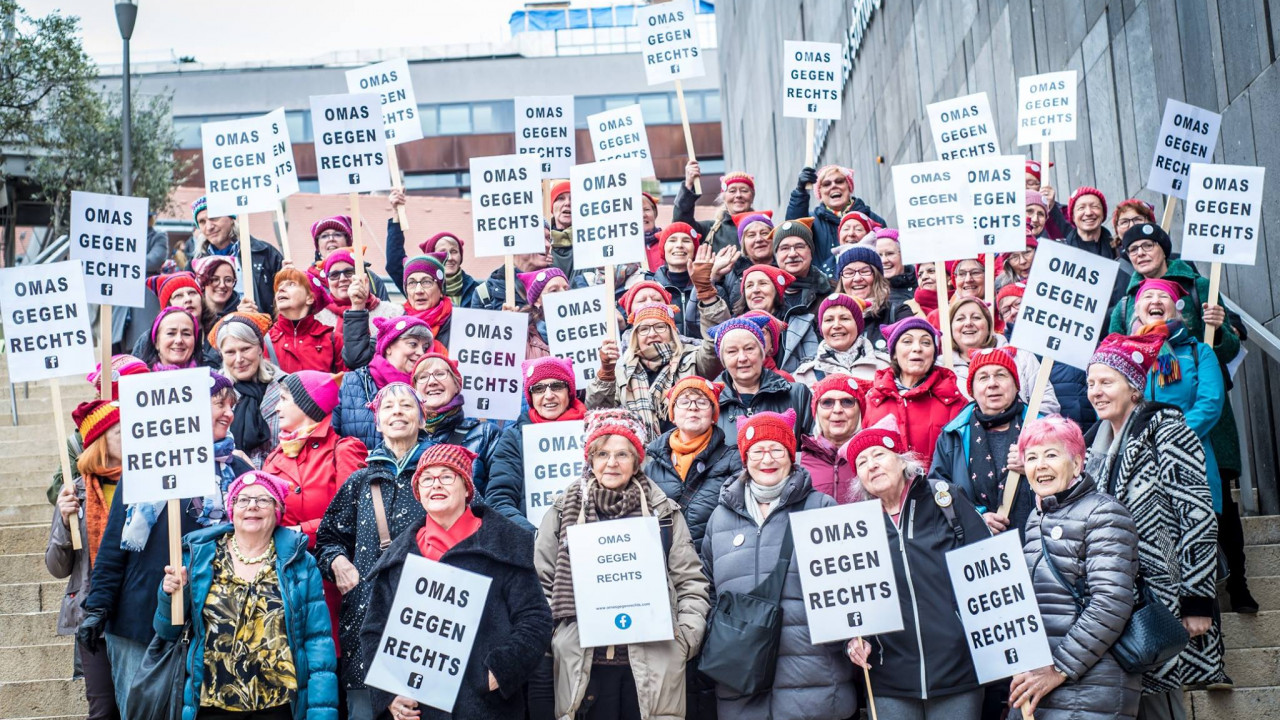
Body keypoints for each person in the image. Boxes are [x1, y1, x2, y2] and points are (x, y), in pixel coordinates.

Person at [77, 372, 248, 715]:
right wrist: (98, 607)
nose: (228, 412)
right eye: (219, 403)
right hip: (138, 621)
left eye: (232, 404)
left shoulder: (240, 469)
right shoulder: (147, 464)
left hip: (213, 620)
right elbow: (114, 547)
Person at [534, 409, 710, 720]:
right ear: (590, 459)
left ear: (636, 460)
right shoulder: (562, 512)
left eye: (622, 454)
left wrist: (685, 638)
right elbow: (541, 582)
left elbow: (690, 583)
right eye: (602, 453)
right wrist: (556, 638)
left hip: (651, 664)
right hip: (584, 667)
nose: (611, 463)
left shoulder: (664, 514)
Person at [1083, 332, 1227, 710]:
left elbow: (1197, 515)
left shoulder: (1167, 429)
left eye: (1106, 382)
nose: (1096, 392)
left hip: (1165, 598)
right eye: (1090, 383)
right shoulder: (1095, 447)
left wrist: (1198, 600)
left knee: (1163, 704)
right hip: (1117, 601)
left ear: (1134, 388)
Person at [360, 443, 553, 720]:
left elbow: (535, 620)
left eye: (447, 476)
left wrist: (500, 671)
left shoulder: (504, 545)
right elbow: (374, 632)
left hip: (487, 707)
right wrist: (389, 695)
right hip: (420, 711)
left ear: (466, 488)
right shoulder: (399, 558)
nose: (435, 484)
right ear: (418, 493)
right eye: (426, 479)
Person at [701, 409, 855, 719]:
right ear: (745, 458)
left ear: (791, 455)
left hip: (813, 677)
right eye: (757, 450)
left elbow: (851, 584)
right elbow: (708, 588)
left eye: (776, 449)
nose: (767, 458)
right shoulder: (720, 517)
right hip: (741, 680)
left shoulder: (822, 507)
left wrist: (855, 637)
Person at [156, 471, 338, 720]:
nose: (252, 506)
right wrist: (171, 593)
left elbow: (318, 645)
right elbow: (167, 630)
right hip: (211, 705)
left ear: (277, 510)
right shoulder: (199, 559)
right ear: (232, 509)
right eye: (243, 500)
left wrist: (322, 714)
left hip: (279, 706)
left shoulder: (299, 563)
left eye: (263, 500)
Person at [844, 425, 990, 718]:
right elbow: (847, 595)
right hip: (889, 676)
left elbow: (986, 567)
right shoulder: (855, 526)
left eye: (879, 455)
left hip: (958, 669)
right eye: (861, 462)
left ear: (902, 460)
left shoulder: (944, 498)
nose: (871, 465)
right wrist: (851, 639)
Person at [1009, 416, 1141, 720]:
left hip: (1090, 684)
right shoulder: (1036, 518)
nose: (1040, 465)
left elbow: (1111, 603)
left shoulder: (1104, 512)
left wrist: (1059, 668)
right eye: (1031, 457)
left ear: (1078, 463)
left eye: (1051, 454)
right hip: (1042, 681)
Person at [315, 382, 431, 719]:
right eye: (388, 407)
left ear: (422, 420)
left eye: (407, 406)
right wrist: (337, 562)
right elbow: (327, 539)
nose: (397, 412)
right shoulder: (359, 482)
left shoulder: (444, 476)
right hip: (367, 626)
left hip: (428, 624)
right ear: (377, 422)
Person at [48, 399, 128, 720]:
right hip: (93, 616)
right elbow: (57, 566)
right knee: (104, 708)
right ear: (100, 441)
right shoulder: (74, 495)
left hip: (137, 611)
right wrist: (65, 525)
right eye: (122, 432)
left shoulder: (145, 485)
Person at [1132, 284, 1227, 512]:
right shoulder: (1126, 357)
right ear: (1138, 310)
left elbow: (1210, 403)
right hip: (1140, 463)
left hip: (1191, 457)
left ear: (1176, 307)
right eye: (1148, 296)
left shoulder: (1199, 352)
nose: (1155, 301)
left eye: (1163, 296)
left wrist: (1174, 438)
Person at [930, 347, 1039, 539]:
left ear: (1016, 385)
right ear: (972, 390)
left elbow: (1069, 480)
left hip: (1036, 544)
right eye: (983, 377)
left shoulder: (1044, 429)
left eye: (1001, 375)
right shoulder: (952, 435)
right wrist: (974, 518)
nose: (992, 384)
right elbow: (938, 493)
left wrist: (1036, 466)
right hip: (980, 550)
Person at [589, 302, 718, 440]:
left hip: (687, 451)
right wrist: (606, 373)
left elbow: (713, 344)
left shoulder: (692, 359)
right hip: (641, 456)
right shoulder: (622, 370)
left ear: (672, 332)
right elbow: (597, 411)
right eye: (644, 329)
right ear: (635, 336)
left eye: (660, 327)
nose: (652, 333)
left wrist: (708, 299)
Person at [486, 357, 588, 532]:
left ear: (569, 392)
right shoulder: (514, 438)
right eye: (539, 389)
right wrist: (538, 539)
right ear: (531, 397)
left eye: (557, 386)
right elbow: (499, 499)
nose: (549, 395)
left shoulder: (594, 431)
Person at [643, 376, 739, 554]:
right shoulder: (652, 466)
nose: (693, 407)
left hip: (714, 563)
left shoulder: (733, 460)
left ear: (713, 415)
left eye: (702, 402)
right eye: (684, 401)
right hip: (668, 566)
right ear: (672, 413)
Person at [862, 317, 965, 470]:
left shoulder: (953, 401)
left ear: (934, 355)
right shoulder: (873, 399)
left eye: (925, 342)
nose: (917, 348)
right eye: (907, 341)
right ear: (894, 353)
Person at [710, 316, 814, 447]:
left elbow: (814, 454)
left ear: (762, 353)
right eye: (732, 351)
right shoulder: (711, 404)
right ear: (723, 360)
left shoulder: (797, 394)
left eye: (749, 349)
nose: (742, 358)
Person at [333, 315, 433, 450]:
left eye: (425, 347)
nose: (421, 352)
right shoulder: (350, 383)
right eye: (413, 344)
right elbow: (331, 440)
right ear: (388, 346)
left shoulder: (427, 388)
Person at [408, 353, 502, 496]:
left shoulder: (486, 434)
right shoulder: (406, 439)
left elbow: (498, 496)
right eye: (422, 377)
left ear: (457, 385)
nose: (432, 381)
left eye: (440, 374)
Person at [947, 295, 1060, 413]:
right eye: (960, 319)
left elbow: (1048, 403)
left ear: (988, 325)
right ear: (950, 327)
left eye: (976, 317)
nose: (968, 323)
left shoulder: (1021, 356)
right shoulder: (942, 369)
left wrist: (1025, 428)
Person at [209, 311, 282, 466]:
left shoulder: (285, 388)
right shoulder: (211, 392)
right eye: (230, 352)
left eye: (245, 349)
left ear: (260, 348)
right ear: (221, 355)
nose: (239, 359)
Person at [191, 195, 284, 314]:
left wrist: (290, 275)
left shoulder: (266, 253)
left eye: (214, 218)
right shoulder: (194, 264)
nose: (209, 227)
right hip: (216, 330)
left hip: (264, 329)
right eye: (202, 222)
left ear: (231, 218)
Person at [786, 165, 886, 273]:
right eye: (826, 184)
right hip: (826, 288)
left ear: (849, 186)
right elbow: (792, 229)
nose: (833, 186)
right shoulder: (812, 222)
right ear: (820, 192)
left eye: (839, 181)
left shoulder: (873, 220)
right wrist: (800, 192)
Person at [322, 249, 404, 370]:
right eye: (334, 275)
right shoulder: (317, 316)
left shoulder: (392, 314)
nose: (342, 278)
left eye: (349, 272)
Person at [260, 267, 344, 374]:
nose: (281, 289)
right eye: (279, 286)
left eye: (291, 284)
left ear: (310, 298)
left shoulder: (333, 341)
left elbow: (346, 386)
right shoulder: (264, 341)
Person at [798, 374, 865, 503]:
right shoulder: (797, 464)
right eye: (827, 402)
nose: (837, 410)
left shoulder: (875, 460)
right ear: (816, 411)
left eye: (847, 402)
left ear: (860, 411)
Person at [794, 293, 883, 385]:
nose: (836, 325)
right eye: (829, 320)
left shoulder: (885, 367)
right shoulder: (804, 376)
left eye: (844, 318)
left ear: (858, 325)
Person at [135, 272, 220, 368]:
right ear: (167, 306)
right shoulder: (147, 339)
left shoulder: (220, 329)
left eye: (192, 293)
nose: (188, 299)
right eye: (178, 296)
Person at [834, 244, 909, 348]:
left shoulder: (898, 313)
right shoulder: (831, 319)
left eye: (865, 271)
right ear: (841, 280)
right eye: (849, 273)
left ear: (877, 276)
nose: (857, 278)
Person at [676, 163, 758, 253]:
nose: (738, 195)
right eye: (732, 191)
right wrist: (688, 185)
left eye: (744, 191)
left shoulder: (763, 228)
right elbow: (681, 224)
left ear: (752, 197)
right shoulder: (709, 230)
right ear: (724, 198)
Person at [470, 224, 556, 309]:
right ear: (516, 242)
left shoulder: (559, 284)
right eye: (538, 238)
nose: (548, 245)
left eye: (549, 239)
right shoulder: (485, 294)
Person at [310, 213, 391, 301]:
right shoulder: (307, 280)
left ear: (348, 242)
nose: (331, 239)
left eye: (337, 234)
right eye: (324, 236)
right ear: (318, 246)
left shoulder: (370, 278)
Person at [773, 220, 833, 314]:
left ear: (811, 251)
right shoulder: (767, 294)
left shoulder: (832, 291)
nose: (792, 254)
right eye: (785, 248)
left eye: (799, 246)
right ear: (776, 255)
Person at [516, 267, 571, 359]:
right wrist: (507, 323)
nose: (563, 293)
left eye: (566, 289)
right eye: (554, 290)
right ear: (537, 301)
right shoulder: (523, 336)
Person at [1062, 186, 1121, 261]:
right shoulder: (1063, 254)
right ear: (1073, 216)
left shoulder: (1118, 248)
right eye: (1081, 208)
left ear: (1103, 213)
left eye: (1094, 206)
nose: (1088, 213)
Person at [136, 306, 201, 370]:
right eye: (171, 333)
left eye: (186, 334)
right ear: (156, 342)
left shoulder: (208, 377)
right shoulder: (139, 378)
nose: (179, 340)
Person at [1024, 160, 1069, 239]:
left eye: (1031, 183)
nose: (1025, 187)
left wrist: (1051, 209)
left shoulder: (1063, 212)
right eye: (1019, 182)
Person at [192, 255, 241, 323]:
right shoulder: (194, 316)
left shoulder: (241, 314)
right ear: (202, 282)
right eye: (215, 279)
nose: (222, 285)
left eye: (228, 280)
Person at [875, 228, 915, 307]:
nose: (884, 260)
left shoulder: (921, 281)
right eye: (879, 255)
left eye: (890, 253)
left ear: (903, 255)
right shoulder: (870, 290)